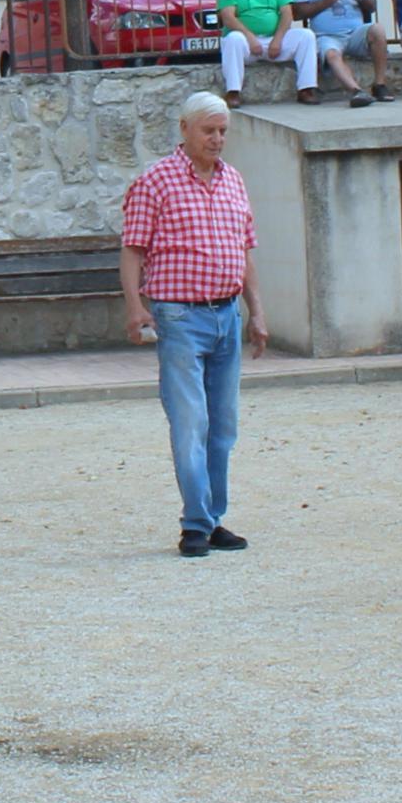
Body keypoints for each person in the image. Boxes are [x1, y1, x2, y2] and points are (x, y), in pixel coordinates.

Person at [119, 91, 267, 558]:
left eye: (223, 131)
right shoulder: (155, 182)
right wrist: (135, 307)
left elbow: (244, 251)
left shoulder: (234, 181)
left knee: (223, 426)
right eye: (209, 130)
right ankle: (194, 525)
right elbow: (132, 249)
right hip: (179, 315)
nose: (217, 139)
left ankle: (212, 517)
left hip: (226, 313)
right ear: (184, 129)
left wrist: (257, 310)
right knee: (190, 422)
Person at [289, 0, 390, 108]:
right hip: (326, 35)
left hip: (355, 33)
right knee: (331, 54)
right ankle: (356, 91)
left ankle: (380, 84)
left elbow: (372, 6)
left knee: (378, 30)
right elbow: (298, 13)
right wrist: (328, 1)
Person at [214, 0, 317, 98]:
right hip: (246, 44)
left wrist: (278, 39)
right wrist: (250, 38)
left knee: (306, 36)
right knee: (233, 39)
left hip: (273, 41)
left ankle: (306, 89)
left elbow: (287, 13)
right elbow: (228, 18)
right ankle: (233, 92)